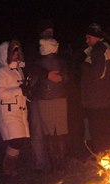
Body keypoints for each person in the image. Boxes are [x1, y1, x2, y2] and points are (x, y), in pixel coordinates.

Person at [31, 35, 70, 172]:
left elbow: (33, 81)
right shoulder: (61, 61)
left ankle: (54, 164)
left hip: (45, 101)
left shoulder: (38, 64)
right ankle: (61, 163)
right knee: (60, 132)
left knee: (49, 134)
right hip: (60, 99)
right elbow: (66, 78)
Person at [0, 39, 30, 176]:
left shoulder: (18, 69)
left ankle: (10, 167)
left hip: (20, 110)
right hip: (8, 112)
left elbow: (23, 89)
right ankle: (7, 168)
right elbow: (0, 93)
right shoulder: (0, 72)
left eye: (17, 50)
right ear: (5, 53)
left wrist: (27, 92)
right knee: (16, 140)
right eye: (13, 51)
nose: (16, 54)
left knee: (19, 140)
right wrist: (19, 91)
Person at [81, 23, 110, 153]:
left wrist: (84, 66)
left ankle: (100, 159)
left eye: (88, 38)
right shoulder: (108, 48)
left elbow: (96, 73)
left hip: (97, 101)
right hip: (107, 98)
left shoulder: (98, 51)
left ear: (96, 37)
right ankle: (107, 157)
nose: (86, 41)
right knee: (106, 131)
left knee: (97, 133)